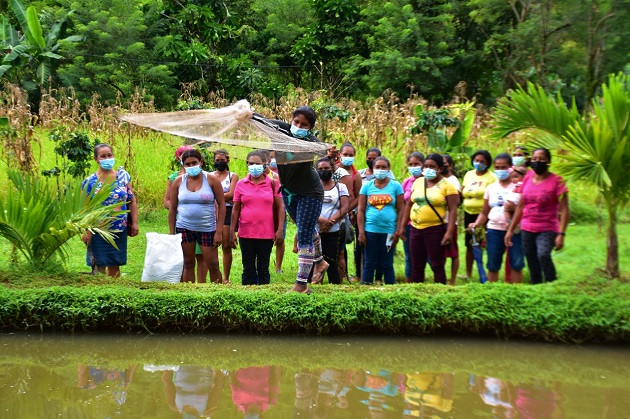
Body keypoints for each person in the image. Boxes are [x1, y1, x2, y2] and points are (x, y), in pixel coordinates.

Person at [270, 106, 328, 294]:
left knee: (303, 233)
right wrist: (246, 114)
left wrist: (329, 150)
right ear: (291, 120)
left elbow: (323, 150)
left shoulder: (311, 141)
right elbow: (260, 121)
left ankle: (301, 284)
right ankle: (319, 262)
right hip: (288, 191)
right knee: (307, 229)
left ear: (310, 128)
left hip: (310, 192)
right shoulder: (280, 130)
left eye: (304, 125)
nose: (299, 126)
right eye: (296, 122)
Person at [505, 148, 569, 284]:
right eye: (534, 159)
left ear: (549, 161)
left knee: (543, 255)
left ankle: (552, 284)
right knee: (532, 260)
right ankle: (537, 287)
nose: (537, 162)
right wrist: (510, 230)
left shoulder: (557, 181)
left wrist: (561, 234)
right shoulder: (527, 178)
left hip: (547, 228)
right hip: (527, 228)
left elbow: (565, 210)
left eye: (541, 159)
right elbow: (521, 206)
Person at [398, 153, 459, 284]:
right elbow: (409, 204)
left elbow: (453, 210)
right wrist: (402, 226)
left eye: (432, 166)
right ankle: (417, 292)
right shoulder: (418, 182)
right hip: (415, 228)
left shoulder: (448, 186)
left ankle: (440, 291)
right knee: (416, 264)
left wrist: (449, 232)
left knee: (437, 264)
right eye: (426, 166)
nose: (428, 169)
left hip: (435, 229)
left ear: (440, 168)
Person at [168, 149, 226, 283]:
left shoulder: (211, 179)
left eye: (194, 162)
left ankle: (217, 294)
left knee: (213, 264)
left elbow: (222, 205)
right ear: (183, 165)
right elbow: (172, 209)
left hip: (207, 228)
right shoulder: (178, 182)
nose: (191, 166)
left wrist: (219, 231)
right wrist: (172, 233)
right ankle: (190, 294)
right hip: (184, 227)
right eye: (187, 164)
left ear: (201, 162)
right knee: (188, 263)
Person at [81, 143, 139, 277]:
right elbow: (85, 208)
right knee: (99, 266)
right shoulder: (89, 182)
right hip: (98, 230)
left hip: (119, 228)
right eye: (103, 156)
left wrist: (134, 222)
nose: (107, 159)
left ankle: (114, 293)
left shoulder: (122, 177)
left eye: (109, 155)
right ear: (96, 159)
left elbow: (132, 200)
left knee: (115, 264)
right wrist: (86, 230)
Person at [230, 150, 284, 285]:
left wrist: (280, 229)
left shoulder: (272, 183)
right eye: (251, 163)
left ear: (265, 164)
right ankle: (248, 296)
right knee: (248, 268)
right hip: (246, 233)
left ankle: (264, 297)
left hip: (266, 233)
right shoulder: (241, 184)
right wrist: (232, 231)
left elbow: (280, 207)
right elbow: (236, 209)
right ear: (247, 164)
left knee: (263, 268)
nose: (254, 166)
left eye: (258, 163)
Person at [468, 153, 524, 283]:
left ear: (511, 168)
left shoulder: (518, 187)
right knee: (493, 264)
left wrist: (513, 209)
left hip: (514, 230)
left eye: (503, 167)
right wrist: (476, 224)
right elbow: (484, 212)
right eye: (497, 167)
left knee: (516, 263)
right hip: (494, 230)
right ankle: (492, 293)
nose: (500, 170)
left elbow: (524, 209)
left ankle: (517, 292)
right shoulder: (491, 188)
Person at [164, 145, 208, 283]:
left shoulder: (207, 178)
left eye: (193, 161)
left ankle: (202, 285)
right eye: (183, 156)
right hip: (183, 223)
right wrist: (178, 208)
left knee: (202, 257)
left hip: (203, 224)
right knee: (186, 259)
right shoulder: (174, 179)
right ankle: (186, 286)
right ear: (180, 159)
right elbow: (167, 201)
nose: (190, 163)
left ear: (200, 161)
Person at [357, 156, 404, 285]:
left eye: (384, 167)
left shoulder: (396, 186)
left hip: (389, 231)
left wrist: (398, 231)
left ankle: (390, 292)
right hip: (370, 230)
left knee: (387, 263)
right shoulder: (367, 186)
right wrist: (361, 232)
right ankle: (366, 288)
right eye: (378, 167)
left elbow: (401, 209)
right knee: (369, 262)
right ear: (373, 168)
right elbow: (360, 210)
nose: (380, 170)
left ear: (389, 169)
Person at [313, 157, 349, 284]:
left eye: (326, 168)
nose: (324, 171)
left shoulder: (341, 187)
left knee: (333, 260)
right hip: (316, 230)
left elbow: (345, 207)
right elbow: (310, 207)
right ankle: (317, 285)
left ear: (332, 169)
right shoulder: (313, 188)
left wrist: (330, 222)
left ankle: (334, 286)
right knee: (316, 260)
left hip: (335, 230)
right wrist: (323, 221)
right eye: (321, 169)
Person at [462, 150, 496, 280]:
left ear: (487, 163)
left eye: (482, 161)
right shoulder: (469, 174)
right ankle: (468, 273)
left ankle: (488, 273)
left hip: (485, 214)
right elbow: (463, 190)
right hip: (468, 213)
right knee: (469, 244)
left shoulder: (491, 177)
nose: (479, 163)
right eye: (477, 161)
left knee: (484, 243)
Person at [334, 142, 362, 282]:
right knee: (337, 246)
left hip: (348, 214)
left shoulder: (355, 175)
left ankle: (346, 273)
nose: (348, 157)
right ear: (339, 155)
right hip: (333, 212)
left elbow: (358, 197)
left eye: (351, 155)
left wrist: (347, 210)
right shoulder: (334, 170)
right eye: (345, 154)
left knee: (345, 244)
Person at [210, 149, 239, 283]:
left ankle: (226, 278)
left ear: (228, 160)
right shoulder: (209, 176)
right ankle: (216, 276)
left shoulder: (233, 176)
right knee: (212, 245)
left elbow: (232, 194)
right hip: (211, 211)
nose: (220, 163)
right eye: (217, 160)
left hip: (227, 211)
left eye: (222, 160)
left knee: (226, 245)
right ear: (213, 161)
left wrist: (215, 196)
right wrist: (223, 196)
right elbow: (226, 195)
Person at [401, 152, 425, 283]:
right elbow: (403, 206)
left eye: (416, 164)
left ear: (423, 165)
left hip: (427, 225)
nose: (413, 167)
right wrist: (402, 226)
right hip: (410, 225)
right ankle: (409, 282)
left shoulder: (429, 181)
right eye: (410, 164)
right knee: (409, 256)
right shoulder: (406, 183)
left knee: (427, 256)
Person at [442, 154, 461, 285]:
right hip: (439, 221)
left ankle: (453, 280)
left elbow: (456, 202)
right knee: (441, 252)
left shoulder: (453, 181)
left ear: (451, 165)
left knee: (453, 252)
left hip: (450, 221)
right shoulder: (438, 180)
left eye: (445, 163)